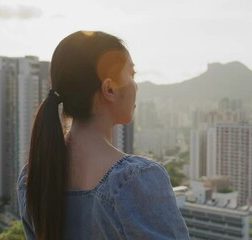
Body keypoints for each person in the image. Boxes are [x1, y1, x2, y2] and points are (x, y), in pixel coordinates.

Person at [16, 31, 190, 240]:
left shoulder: (33, 178)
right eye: (132, 75)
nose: (136, 86)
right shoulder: (136, 180)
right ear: (109, 88)